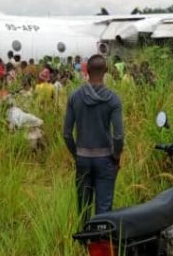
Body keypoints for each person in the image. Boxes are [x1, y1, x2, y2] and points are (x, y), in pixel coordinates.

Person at [63, 54, 124, 222]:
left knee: (83, 208)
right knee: (103, 211)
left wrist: (77, 155)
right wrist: (116, 157)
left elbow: (67, 133)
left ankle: (83, 245)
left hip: (83, 158)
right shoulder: (113, 99)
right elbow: (118, 136)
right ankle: (101, 245)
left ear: (87, 71)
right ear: (105, 71)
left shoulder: (74, 97)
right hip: (105, 159)